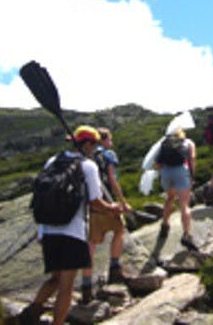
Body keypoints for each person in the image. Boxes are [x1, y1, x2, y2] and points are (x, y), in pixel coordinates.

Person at [19, 126, 122, 325]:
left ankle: (32, 312)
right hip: (72, 232)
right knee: (66, 286)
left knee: (55, 279)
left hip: (47, 230)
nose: (94, 149)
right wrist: (113, 208)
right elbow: (95, 201)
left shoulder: (52, 161)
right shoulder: (88, 165)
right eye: (94, 145)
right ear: (88, 144)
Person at [80, 127, 132, 303]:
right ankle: (115, 268)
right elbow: (112, 179)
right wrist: (122, 202)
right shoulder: (108, 155)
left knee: (91, 244)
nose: (112, 143)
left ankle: (86, 286)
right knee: (119, 231)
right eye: (110, 139)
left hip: (89, 205)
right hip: (106, 202)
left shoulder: (83, 157)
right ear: (103, 140)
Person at [155, 129, 199, 251]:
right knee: (184, 204)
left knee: (170, 198)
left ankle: (164, 224)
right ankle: (186, 234)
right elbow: (192, 158)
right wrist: (192, 175)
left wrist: (163, 173)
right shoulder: (189, 143)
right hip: (181, 170)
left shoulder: (165, 143)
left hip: (166, 172)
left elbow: (157, 164)